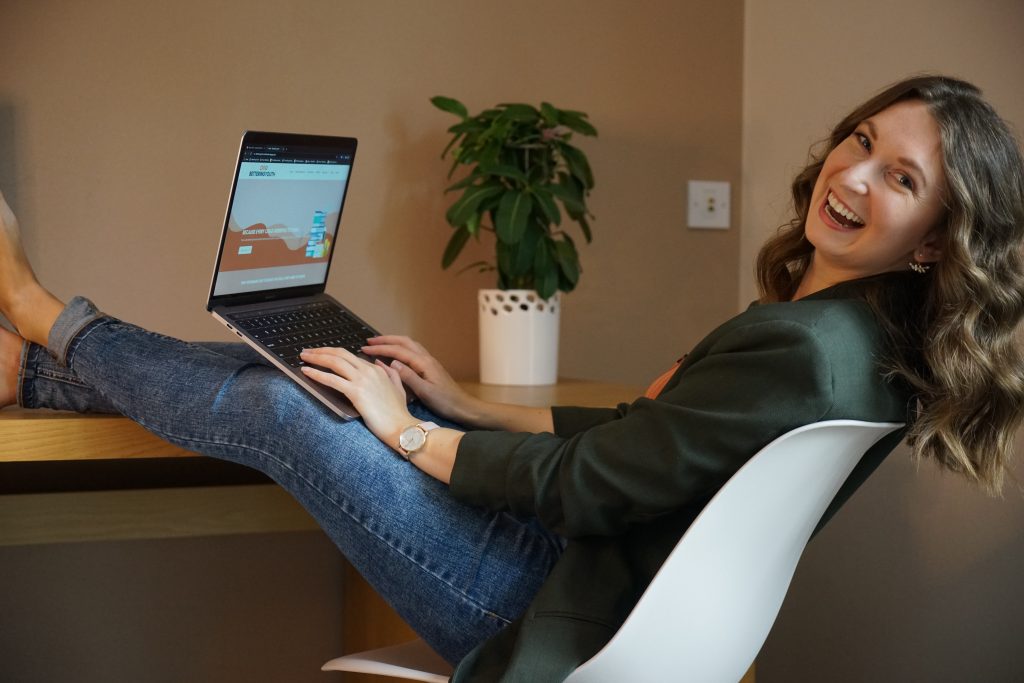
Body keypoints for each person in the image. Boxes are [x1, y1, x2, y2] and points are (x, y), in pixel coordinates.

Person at [1, 74, 1023, 682]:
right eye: (861, 142)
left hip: (551, 607)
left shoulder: (806, 348)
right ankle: (40, 370)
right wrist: (459, 400)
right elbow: (649, 435)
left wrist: (402, 430)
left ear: (938, 237)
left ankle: (41, 313)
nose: (851, 176)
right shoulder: (857, 339)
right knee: (312, 365)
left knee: (287, 405)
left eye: (899, 178)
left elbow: (586, 482)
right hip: (601, 580)